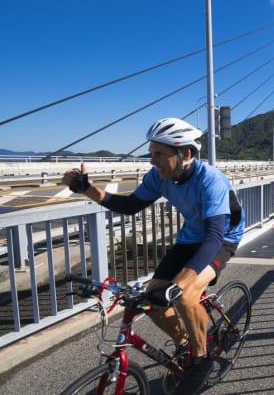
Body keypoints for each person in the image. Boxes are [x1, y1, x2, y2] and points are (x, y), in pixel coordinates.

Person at [61, 117, 245, 395]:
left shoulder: (211, 180)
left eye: (158, 154)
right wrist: (86, 188)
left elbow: (214, 236)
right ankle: (185, 344)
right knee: (152, 297)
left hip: (222, 238)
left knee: (184, 294)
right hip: (189, 238)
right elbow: (130, 205)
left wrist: (181, 282)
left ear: (184, 154)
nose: (151, 160)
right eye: (151, 153)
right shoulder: (160, 177)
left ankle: (201, 357)